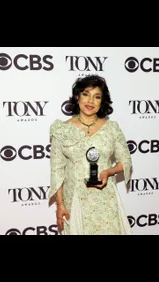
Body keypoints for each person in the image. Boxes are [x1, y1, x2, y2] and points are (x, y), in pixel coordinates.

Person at [49, 74, 133, 235]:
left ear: (102, 101)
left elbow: (126, 161)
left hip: (105, 197)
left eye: (97, 97)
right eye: (86, 94)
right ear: (77, 96)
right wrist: (60, 205)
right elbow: (56, 170)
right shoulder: (62, 130)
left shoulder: (112, 128)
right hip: (74, 197)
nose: (90, 101)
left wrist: (108, 172)